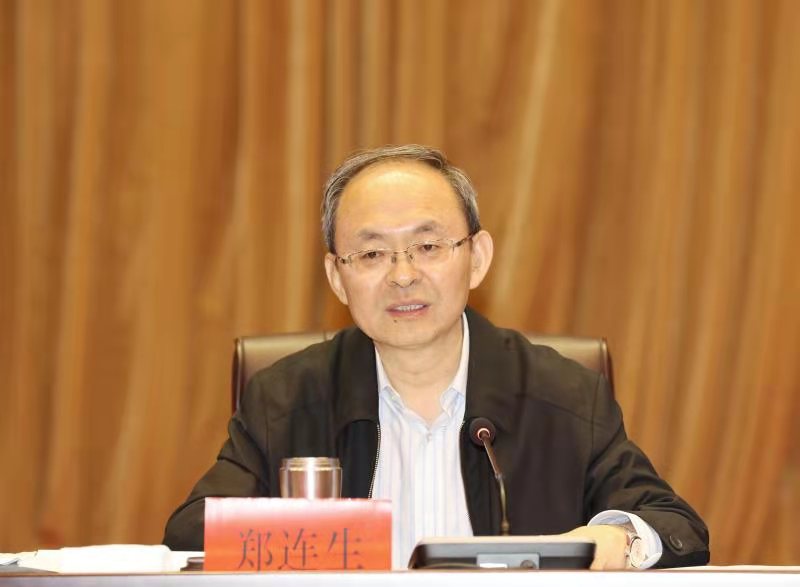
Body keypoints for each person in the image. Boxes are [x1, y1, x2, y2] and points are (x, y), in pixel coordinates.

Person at [164, 145, 710, 569]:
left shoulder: (564, 395)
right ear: (337, 277)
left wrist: (613, 541)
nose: (403, 275)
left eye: (428, 247)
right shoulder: (286, 398)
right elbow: (189, 535)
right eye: (372, 253)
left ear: (477, 258)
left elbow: (675, 527)